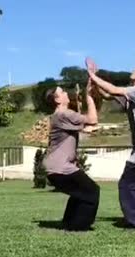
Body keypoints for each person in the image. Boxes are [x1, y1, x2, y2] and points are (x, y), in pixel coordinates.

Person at [88, 59, 135, 229]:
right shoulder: (134, 95)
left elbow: (113, 89)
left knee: (126, 186)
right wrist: (94, 80)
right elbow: (108, 95)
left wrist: (92, 74)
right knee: (133, 189)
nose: (134, 70)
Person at [43, 82, 100, 231]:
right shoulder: (63, 114)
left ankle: (69, 222)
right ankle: (79, 226)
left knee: (79, 193)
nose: (66, 94)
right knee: (92, 191)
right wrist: (89, 97)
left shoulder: (59, 117)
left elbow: (84, 126)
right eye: (62, 93)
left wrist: (86, 129)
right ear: (57, 100)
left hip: (55, 168)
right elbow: (93, 119)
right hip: (61, 168)